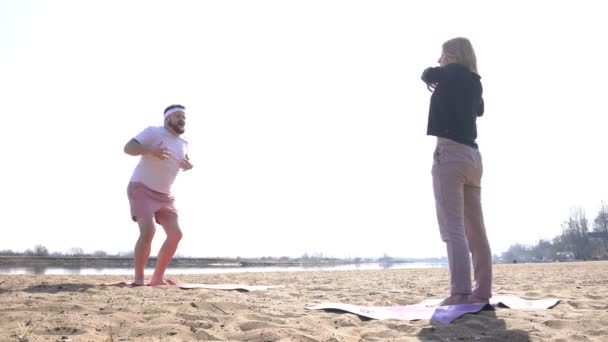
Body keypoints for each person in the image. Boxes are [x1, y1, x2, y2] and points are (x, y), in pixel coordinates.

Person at [421, 37, 492, 305]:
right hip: (473, 158)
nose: (439, 59)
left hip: (450, 155)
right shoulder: (475, 82)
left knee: (453, 228)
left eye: (442, 55)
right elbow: (481, 110)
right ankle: (481, 291)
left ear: (451, 55)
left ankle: (460, 291)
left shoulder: (450, 73)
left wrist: (440, 71)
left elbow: (427, 73)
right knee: (477, 230)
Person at [123, 104, 193, 285]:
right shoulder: (153, 132)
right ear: (167, 119)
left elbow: (183, 160)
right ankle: (139, 279)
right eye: (177, 116)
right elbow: (128, 148)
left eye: (183, 116)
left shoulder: (184, 143)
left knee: (176, 234)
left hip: (165, 196)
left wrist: (187, 165)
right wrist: (150, 151)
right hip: (141, 188)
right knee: (148, 232)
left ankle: (157, 278)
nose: (182, 119)